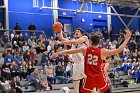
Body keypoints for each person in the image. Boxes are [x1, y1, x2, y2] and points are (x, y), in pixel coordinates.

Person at [51, 29, 131, 93]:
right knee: (106, 90)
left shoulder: (84, 49)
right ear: (98, 42)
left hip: (89, 78)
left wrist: (58, 53)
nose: (76, 33)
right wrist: (126, 40)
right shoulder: (102, 51)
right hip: (99, 77)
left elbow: (69, 51)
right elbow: (117, 51)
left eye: (78, 31)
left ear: (89, 42)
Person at [57, 28, 90, 93]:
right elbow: (62, 38)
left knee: (90, 84)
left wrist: (63, 42)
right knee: (76, 86)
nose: (76, 32)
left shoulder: (85, 38)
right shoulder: (72, 42)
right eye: (75, 32)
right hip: (76, 65)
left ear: (82, 34)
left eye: (78, 31)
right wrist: (60, 31)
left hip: (85, 64)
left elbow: (74, 42)